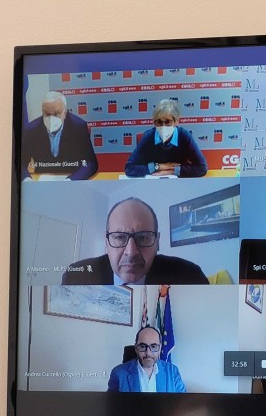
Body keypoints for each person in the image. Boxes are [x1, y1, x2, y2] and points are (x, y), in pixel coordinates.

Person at [61, 197, 209, 285]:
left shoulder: (190, 276)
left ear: (157, 242)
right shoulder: (76, 276)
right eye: (119, 237)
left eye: (143, 237)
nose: (131, 252)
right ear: (106, 243)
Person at [21, 91, 98, 180]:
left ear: (64, 113)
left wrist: (71, 180)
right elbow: (21, 162)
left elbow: (90, 163)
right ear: (42, 111)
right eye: (47, 113)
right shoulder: (31, 129)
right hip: (43, 181)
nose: (51, 118)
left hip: (71, 180)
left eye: (56, 114)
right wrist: (27, 179)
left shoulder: (78, 126)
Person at [124, 99, 207, 178]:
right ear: (154, 122)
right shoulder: (148, 136)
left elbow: (202, 168)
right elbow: (129, 169)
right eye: (159, 122)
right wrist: (158, 167)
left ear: (176, 121)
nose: (163, 127)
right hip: (152, 182)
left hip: (178, 183)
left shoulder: (184, 136)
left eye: (168, 122)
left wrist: (173, 170)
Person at [107, 326, 186, 392]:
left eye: (153, 346)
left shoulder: (172, 372)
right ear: (136, 348)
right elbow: (111, 404)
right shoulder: (118, 373)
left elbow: (182, 402)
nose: (148, 353)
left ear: (160, 348)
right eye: (142, 346)